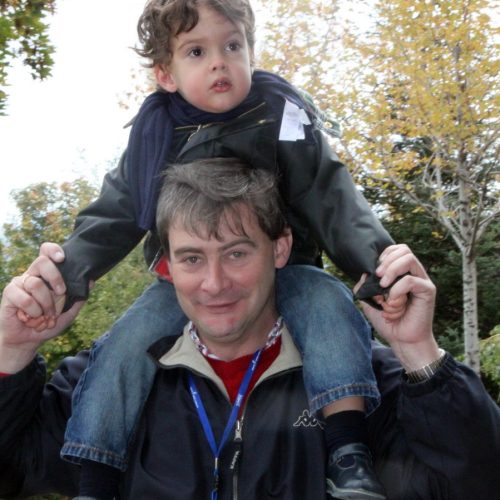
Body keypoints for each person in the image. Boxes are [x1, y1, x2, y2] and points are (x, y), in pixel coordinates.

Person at [21, 0, 403, 497]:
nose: (219, 62)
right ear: (166, 74)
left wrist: (379, 266)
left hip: (286, 270)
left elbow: (331, 196)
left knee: (330, 305)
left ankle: (348, 454)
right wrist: (65, 275)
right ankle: (95, 478)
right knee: (124, 344)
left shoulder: (281, 114)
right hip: (183, 283)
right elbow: (114, 213)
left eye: (232, 46)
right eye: (197, 52)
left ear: (250, 53)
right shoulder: (154, 135)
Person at [1, 159, 499, 500]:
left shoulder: (359, 381)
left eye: (236, 253)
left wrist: (419, 353)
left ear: (279, 249)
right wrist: (10, 351)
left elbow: (479, 483)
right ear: (166, 266)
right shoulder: (108, 381)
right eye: (192, 258)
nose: (215, 283)